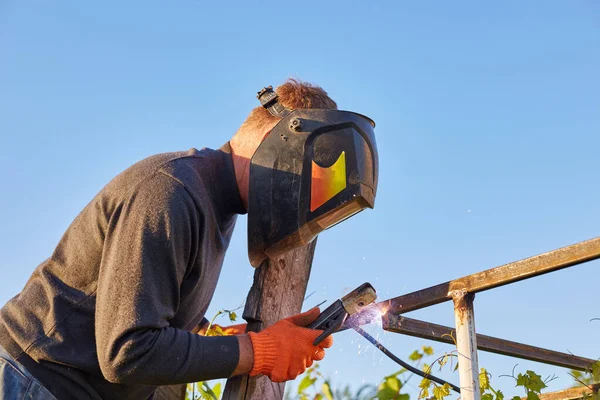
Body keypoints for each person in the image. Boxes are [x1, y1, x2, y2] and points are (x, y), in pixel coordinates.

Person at [0, 79, 379, 400]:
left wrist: (221, 340)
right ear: (282, 140)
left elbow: (147, 317)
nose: (304, 208)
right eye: (309, 185)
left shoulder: (215, 205)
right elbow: (126, 350)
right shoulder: (173, 192)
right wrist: (257, 351)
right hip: (29, 379)